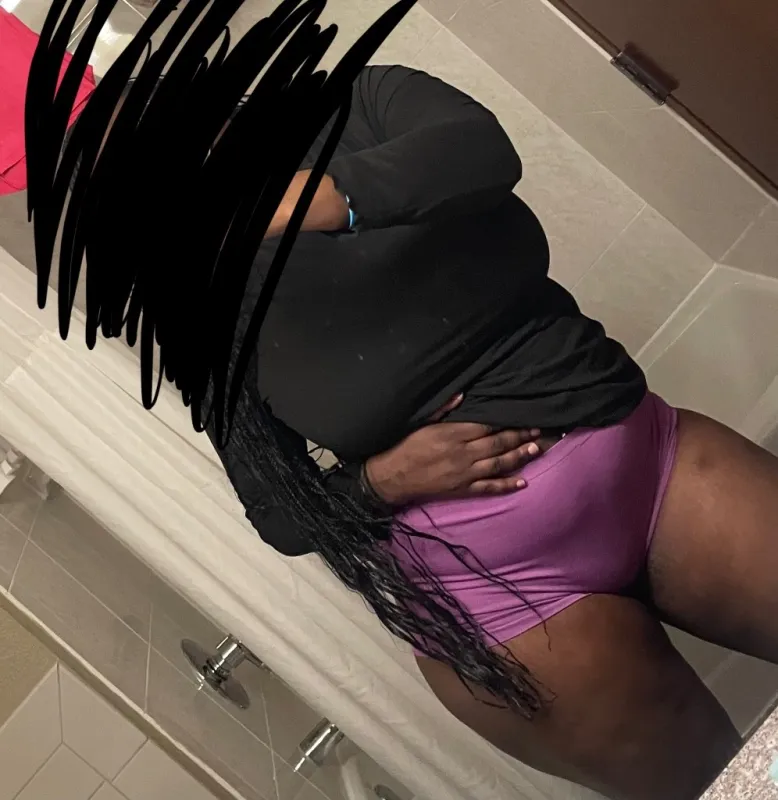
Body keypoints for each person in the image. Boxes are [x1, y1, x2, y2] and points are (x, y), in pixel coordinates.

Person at [66, 65, 777, 800]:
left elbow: (481, 151)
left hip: (647, 457)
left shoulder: (354, 104)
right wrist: (383, 480)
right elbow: (278, 514)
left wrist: (285, 203)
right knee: (726, 783)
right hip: (505, 598)